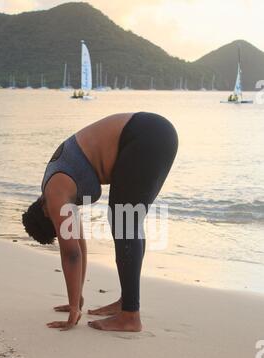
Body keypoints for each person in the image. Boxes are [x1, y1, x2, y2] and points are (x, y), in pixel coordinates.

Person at [22, 112, 178, 331]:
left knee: (124, 221)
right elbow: (79, 246)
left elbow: (71, 253)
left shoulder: (54, 194)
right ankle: (127, 303)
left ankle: (130, 316)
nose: (61, 230)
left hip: (143, 135)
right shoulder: (58, 187)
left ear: (45, 213)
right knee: (127, 222)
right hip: (156, 132)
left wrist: (74, 311)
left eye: (57, 230)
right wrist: (77, 300)